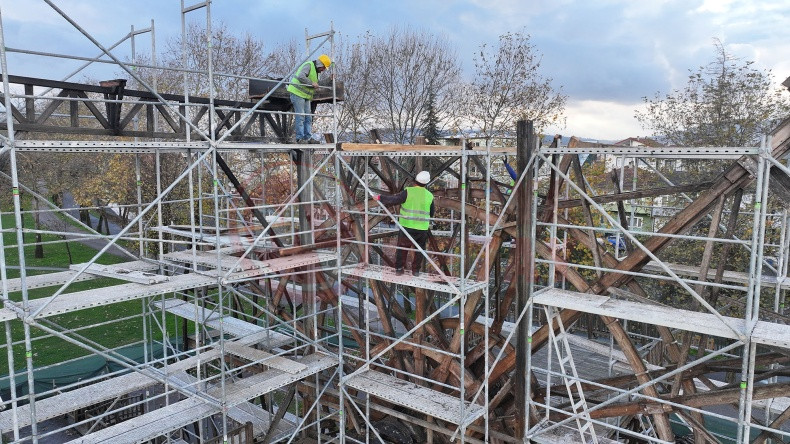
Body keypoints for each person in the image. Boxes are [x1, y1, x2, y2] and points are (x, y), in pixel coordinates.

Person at [375, 171, 435, 276]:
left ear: (415, 181)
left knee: (402, 248)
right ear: (426, 183)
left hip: (407, 226)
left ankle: (399, 269)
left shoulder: (408, 192)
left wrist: (380, 198)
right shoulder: (430, 195)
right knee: (419, 250)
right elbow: (431, 212)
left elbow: (394, 199)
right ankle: (416, 271)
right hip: (422, 228)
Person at [286, 54, 331, 144]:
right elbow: (301, 76)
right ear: (320, 64)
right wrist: (311, 83)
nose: (323, 70)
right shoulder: (309, 65)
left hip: (305, 96)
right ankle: (299, 138)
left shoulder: (316, 72)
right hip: (297, 93)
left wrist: (329, 79)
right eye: (323, 68)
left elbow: (317, 83)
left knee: (308, 117)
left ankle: (307, 137)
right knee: (301, 116)